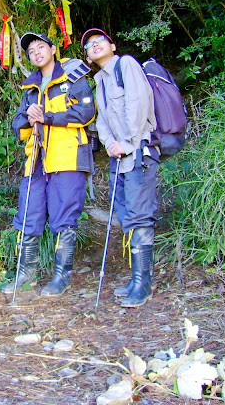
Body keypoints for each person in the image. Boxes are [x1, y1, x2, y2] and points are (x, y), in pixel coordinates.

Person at [3, 32, 95, 296]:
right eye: (31, 51)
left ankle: (61, 277)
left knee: (64, 216)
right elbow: (16, 124)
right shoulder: (30, 88)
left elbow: (86, 112)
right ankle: (25, 275)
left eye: (40, 47)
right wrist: (29, 119)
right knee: (28, 215)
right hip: (36, 161)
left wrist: (48, 116)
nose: (36, 53)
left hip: (67, 157)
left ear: (53, 49)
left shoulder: (72, 76)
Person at [81, 28, 158, 308]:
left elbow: (138, 104)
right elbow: (101, 119)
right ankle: (136, 277)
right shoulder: (100, 80)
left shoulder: (126, 64)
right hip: (119, 157)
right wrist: (110, 143)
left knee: (140, 214)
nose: (95, 46)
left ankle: (143, 282)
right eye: (89, 45)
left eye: (99, 41)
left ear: (112, 45)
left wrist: (127, 142)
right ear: (88, 57)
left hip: (139, 152)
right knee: (125, 213)